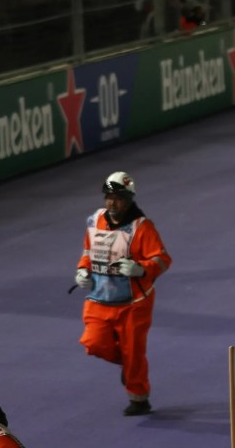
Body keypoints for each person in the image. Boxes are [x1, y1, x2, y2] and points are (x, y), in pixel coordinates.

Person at [73, 171, 171, 415]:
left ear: (129, 199)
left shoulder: (143, 228)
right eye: (108, 197)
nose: (111, 202)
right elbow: (88, 252)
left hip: (134, 303)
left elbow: (162, 259)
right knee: (93, 343)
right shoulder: (94, 220)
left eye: (117, 197)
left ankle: (139, 399)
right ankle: (128, 365)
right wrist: (82, 271)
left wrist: (140, 269)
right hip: (99, 299)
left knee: (134, 351)